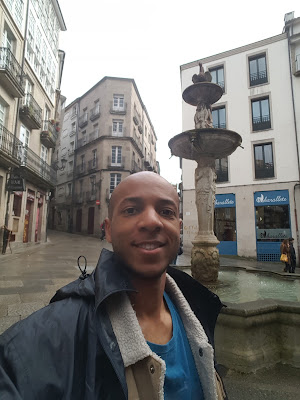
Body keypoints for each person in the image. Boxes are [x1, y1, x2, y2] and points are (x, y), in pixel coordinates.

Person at [0, 172, 227, 399]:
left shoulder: (199, 309)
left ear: (178, 228)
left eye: (166, 212)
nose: (151, 221)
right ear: (108, 229)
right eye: (131, 210)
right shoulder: (54, 334)